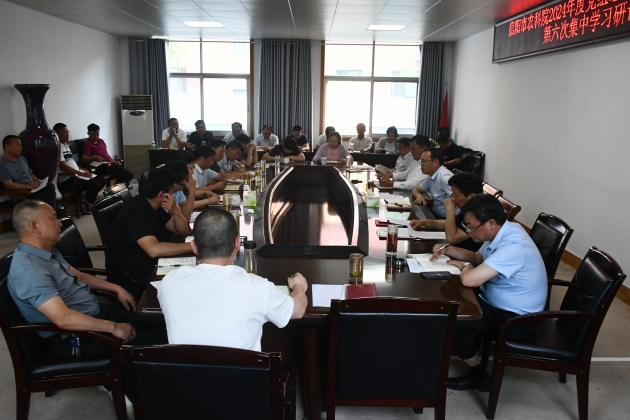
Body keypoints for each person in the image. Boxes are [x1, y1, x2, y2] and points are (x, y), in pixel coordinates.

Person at [7, 200, 167, 358]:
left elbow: (79, 275)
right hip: (76, 335)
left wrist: (117, 288)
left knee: (164, 323)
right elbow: (63, 319)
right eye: (54, 218)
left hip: (94, 314)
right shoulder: (29, 271)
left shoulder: (46, 251)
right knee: (161, 346)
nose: (59, 224)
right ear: (35, 226)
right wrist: (113, 327)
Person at [429, 194, 547, 392]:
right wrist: (448, 250)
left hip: (516, 319)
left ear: (491, 223)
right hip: (499, 303)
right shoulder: (505, 230)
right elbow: (478, 257)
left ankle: (480, 376)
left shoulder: (514, 245)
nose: (468, 231)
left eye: (471, 226)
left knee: (450, 317)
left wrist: (464, 265)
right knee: (453, 299)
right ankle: (462, 351)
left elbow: (470, 279)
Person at [158, 207, 308, 351]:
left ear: (194, 247)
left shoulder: (169, 283)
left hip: (186, 370)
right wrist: (299, 287)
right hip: (242, 370)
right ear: (237, 243)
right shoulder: (257, 287)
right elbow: (298, 311)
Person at [105, 168, 192, 287]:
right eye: (172, 190)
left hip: (149, 265)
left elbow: (182, 231)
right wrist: (193, 246)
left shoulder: (154, 206)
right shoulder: (135, 214)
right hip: (131, 277)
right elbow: (154, 250)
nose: (173, 194)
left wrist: (176, 212)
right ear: (162, 195)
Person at [410, 172, 484, 251]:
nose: (452, 198)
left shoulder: (478, 213)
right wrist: (424, 222)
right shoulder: (468, 208)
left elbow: (452, 239)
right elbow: (451, 224)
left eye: (455, 195)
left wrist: (450, 209)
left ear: (471, 196)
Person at [53, 123, 106, 213]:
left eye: (68, 132)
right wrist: (81, 173)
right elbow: (63, 166)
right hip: (67, 178)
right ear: (57, 135)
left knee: (101, 180)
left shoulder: (66, 145)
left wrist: (81, 169)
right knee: (95, 184)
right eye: (64, 133)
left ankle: (85, 201)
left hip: (76, 174)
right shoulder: (57, 147)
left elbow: (71, 162)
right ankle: (85, 203)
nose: (67, 134)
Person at [0, 135, 57, 209]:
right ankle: (49, 214)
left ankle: (50, 214)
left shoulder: (22, 159)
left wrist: (38, 181)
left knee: (49, 186)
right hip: (22, 194)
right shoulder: (2, 165)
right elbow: (9, 185)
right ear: (7, 146)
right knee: (47, 193)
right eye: (17, 145)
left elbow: (29, 174)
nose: (20, 148)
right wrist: (30, 186)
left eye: (21, 145)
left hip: (32, 190)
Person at [81, 123, 134, 188]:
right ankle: (119, 187)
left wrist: (114, 161)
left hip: (110, 163)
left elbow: (106, 154)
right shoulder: (88, 144)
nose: (96, 136)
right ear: (88, 133)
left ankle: (117, 187)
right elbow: (83, 159)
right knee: (121, 171)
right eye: (93, 134)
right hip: (103, 167)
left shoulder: (101, 141)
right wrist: (94, 157)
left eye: (97, 134)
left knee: (130, 175)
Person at [411, 148, 454, 218]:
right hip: (435, 214)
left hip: (447, 218)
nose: (421, 165)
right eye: (421, 161)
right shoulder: (433, 175)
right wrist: (419, 196)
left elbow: (458, 198)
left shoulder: (444, 176)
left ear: (436, 162)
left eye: (424, 161)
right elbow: (416, 190)